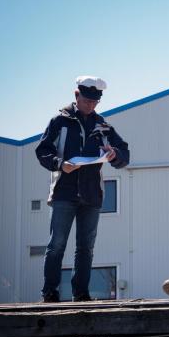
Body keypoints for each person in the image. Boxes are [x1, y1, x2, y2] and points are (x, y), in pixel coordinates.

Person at [36, 76, 130, 302]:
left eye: (95, 102)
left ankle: (81, 294)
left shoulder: (103, 125)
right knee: (56, 244)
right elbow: (42, 150)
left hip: (92, 196)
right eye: (87, 100)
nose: (91, 105)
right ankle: (49, 293)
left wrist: (114, 154)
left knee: (86, 247)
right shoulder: (59, 121)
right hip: (63, 193)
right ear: (76, 95)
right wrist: (60, 164)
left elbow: (124, 154)